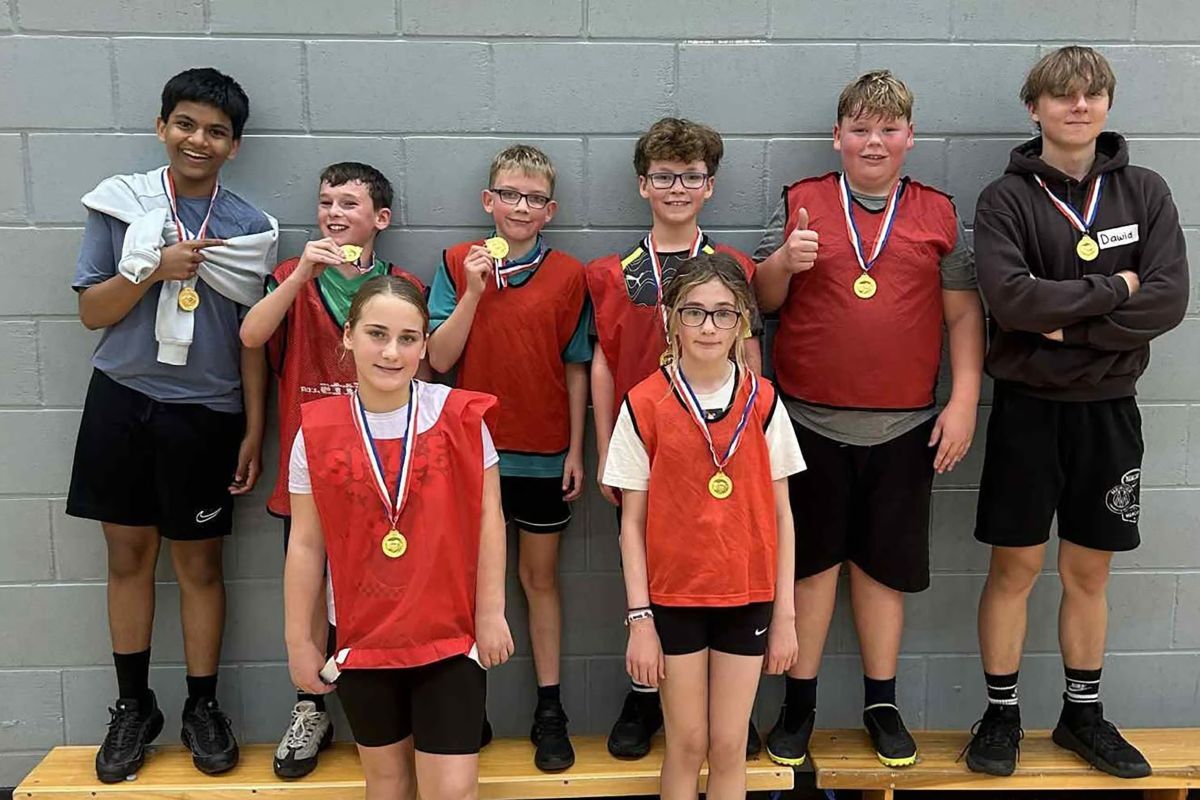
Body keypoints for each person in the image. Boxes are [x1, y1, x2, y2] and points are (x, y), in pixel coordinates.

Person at [964, 45, 1188, 779]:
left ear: (1107, 105)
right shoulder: (1006, 199)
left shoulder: (1145, 191)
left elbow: (1168, 299)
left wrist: (1074, 326)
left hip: (1109, 410)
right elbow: (1013, 301)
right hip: (1028, 409)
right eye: (1063, 95)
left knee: (1089, 570)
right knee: (1016, 565)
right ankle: (1001, 715)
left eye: (1092, 94)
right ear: (1035, 108)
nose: (1079, 105)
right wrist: (1115, 289)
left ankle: (1081, 715)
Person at [753, 70, 985, 768]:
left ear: (911, 137)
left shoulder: (939, 213)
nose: (873, 141)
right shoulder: (799, 202)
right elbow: (760, 301)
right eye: (859, 128)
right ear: (838, 137)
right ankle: (799, 704)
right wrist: (783, 263)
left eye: (888, 129)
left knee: (884, 571)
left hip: (905, 427)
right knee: (811, 568)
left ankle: (882, 703)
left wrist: (964, 400)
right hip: (807, 423)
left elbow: (963, 315)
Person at [68, 67, 278, 781]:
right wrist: (153, 269)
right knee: (128, 558)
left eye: (216, 131)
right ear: (162, 128)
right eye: (185, 124)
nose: (198, 140)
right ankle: (134, 706)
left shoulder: (249, 229)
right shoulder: (119, 205)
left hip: (207, 414)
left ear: (234, 146)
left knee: (199, 565)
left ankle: (201, 706)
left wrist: (251, 429)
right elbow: (92, 312)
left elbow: (252, 341)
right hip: (122, 399)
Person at [285, 276, 514, 800]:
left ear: (424, 345)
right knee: (387, 784)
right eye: (377, 334)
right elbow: (305, 545)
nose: (392, 352)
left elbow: (489, 519)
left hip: (449, 635)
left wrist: (491, 611)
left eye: (408, 338)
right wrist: (300, 640)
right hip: (364, 637)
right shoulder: (315, 431)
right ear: (348, 336)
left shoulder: (459, 417)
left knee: (452, 790)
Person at [239, 161, 424, 778]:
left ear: (381, 218)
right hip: (310, 467)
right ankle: (310, 705)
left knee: (385, 585)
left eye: (349, 203)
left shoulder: (401, 285)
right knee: (311, 587)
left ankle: (400, 699)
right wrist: (301, 276)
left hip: (385, 473)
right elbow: (251, 336)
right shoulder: (293, 276)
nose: (334, 213)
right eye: (326, 202)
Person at [587, 117, 764, 758]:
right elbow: (603, 362)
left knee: (722, 571)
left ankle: (728, 711)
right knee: (647, 574)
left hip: (719, 455)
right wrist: (606, 450)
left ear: (709, 186)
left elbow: (750, 359)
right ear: (643, 185)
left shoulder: (734, 268)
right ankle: (646, 697)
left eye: (691, 177)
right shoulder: (612, 273)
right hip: (646, 451)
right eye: (664, 176)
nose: (677, 188)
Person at [604, 253, 802, 800]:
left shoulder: (764, 401)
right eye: (694, 312)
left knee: (729, 745)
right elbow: (630, 525)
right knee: (687, 744)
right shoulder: (644, 403)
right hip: (673, 601)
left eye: (722, 313)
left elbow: (783, 515)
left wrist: (786, 616)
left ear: (742, 322)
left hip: (748, 597)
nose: (708, 326)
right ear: (672, 321)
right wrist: (640, 620)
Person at [425, 144, 590, 771]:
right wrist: (472, 291)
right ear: (488, 201)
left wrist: (576, 448)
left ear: (550, 211)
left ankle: (550, 710)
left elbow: (576, 366)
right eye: (509, 195)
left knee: (538, 580)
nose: (521, 207)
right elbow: (440, 358)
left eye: (534, 198)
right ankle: (470, 706)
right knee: (472, 584)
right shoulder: (454, 262)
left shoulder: (568, 274)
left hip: (544, 452)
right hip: (473, 453)